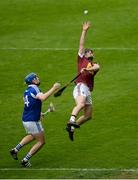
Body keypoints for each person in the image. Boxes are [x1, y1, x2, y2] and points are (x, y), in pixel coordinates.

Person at [10, 73, 60, 167]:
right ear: (33, 81)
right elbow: (43, 98)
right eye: (36, 78)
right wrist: (54, 88)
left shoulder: (27, 90)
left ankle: (15, 150)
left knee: (32, 136)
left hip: (26, 119)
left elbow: (31, 103)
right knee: (41, 141)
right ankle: (25, 160)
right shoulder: (35, 88)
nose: (38, 79)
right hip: (33, 120)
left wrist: (39, 112)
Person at [66, 22, 100, 141]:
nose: (90, 52)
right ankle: (71, 120)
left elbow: (97, 68)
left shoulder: (93, 64)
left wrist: (87, 69)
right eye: (88, 51)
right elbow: (81, 44)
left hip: (87, 91)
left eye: (91, 52)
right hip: (80, 86)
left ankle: (71, 128)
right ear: (85, 54)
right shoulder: (81, 59)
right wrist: (84, 30)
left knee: (88, 116)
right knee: (80, 104)